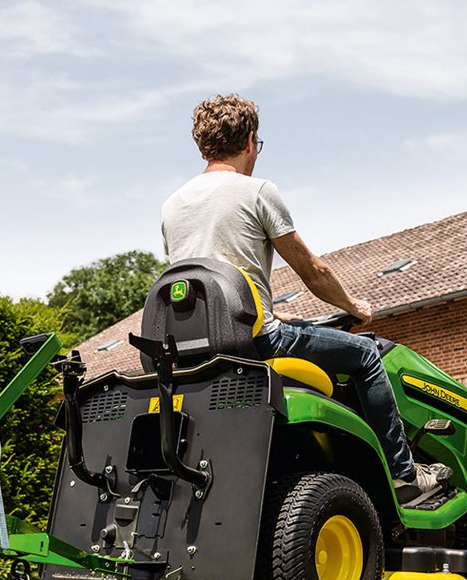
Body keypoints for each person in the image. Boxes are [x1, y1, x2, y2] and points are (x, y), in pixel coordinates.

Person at [160, 94, 450, 507]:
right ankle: (405, 475)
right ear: (249, 141)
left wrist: (272, 312)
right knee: (367, 356)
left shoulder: (172, 207)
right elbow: (312, 271)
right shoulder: (257, 191)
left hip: (197, 348)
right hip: (258, 340)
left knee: (305, 331)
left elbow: (207, 284)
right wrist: (354, 307)